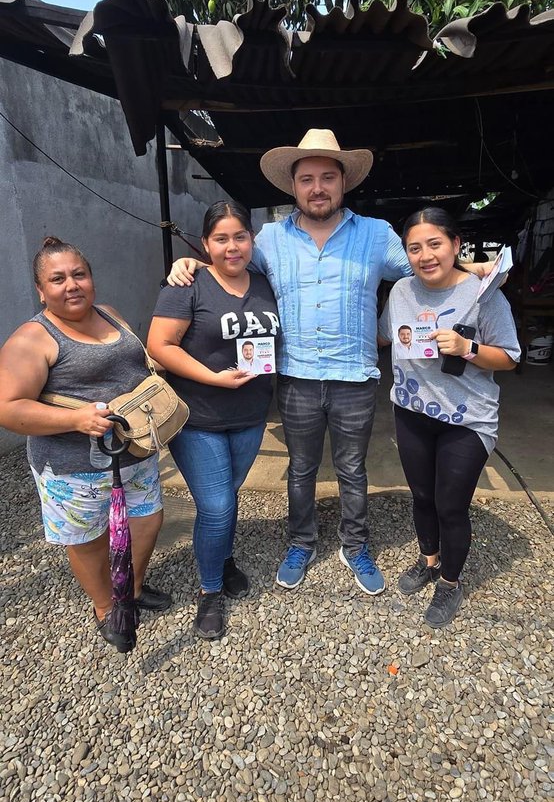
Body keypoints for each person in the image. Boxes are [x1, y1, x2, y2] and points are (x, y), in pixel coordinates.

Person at [168, 129, 493, 598]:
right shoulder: (270, 240)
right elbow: (228, 259)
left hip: (354, 377)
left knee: (352, 469)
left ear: (343, 183)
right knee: (300, 470)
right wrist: (191, 265)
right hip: (296, 375)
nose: (317, 187)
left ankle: (354, 544)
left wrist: (472, 270)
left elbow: (427, 268)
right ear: (293, 186)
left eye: (327, 177)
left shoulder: (377, 235)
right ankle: (301, 542)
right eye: (306, 179)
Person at [0, 237, 167, 653]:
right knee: (89, 538)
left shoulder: (108, 313)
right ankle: (106, 606)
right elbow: (7, 408)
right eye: (58, 279)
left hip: (136, 451)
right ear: (41, 290)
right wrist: (76, 419)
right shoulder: (32, 338)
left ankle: (132, 587)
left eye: (79, 274)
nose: (71, 285)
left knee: (148, 521)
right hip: (74, 466)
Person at [379, 207, 520, 629]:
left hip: (467, 420)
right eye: (414, 247)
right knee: (422, 497)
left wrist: (467, 349)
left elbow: (510, 356)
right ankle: (429, 560)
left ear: (456, 245)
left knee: (450, 505)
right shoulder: (401, 290)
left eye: (435, 244)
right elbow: (385, 334)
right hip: (411, 411)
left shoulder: (483, 293)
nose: (425, 255)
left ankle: (450, 582)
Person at [147, 201, 280, 641]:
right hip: (198, 416)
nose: (231, 246)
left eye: (239, 236)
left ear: (252, 240)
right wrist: (212, 378)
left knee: (227, 494)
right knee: (217, 505)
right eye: (220, 239)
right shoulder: (187, 284)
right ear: (205, 244)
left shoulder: (264, 283)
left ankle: (222, 559)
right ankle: (209, 590)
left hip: (251, 414)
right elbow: (160, 344)